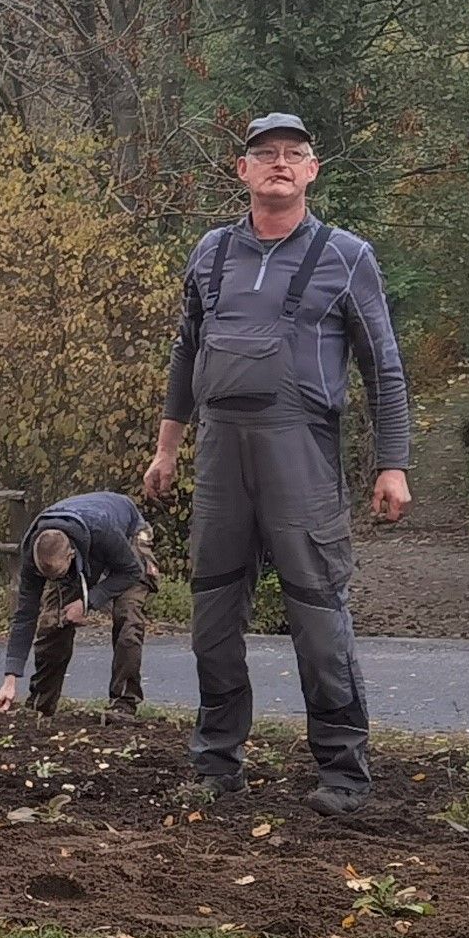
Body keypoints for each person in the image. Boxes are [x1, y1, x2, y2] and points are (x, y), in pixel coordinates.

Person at [147, 111, 411, 813]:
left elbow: (383, 366)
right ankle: (215, 765)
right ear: (244, 171)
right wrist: (168, 446)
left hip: (303, 455)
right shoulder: (210, 253)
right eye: (265, 154)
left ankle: (343, 776)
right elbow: (185, 354)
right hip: (221, 457)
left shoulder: (346, 255)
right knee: (211, 615)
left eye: (294, 154)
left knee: (319, 614)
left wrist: (394, 463)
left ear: (313, 170)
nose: (280, 164)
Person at [0, 490, 156, 716]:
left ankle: (124, 705)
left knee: (127, 618)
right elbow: (25, 615)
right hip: (85, 544)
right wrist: (10, 679)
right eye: (49, 579)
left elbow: (130, 572)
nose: (54, 582)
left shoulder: (102, 529)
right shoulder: (31, 552)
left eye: (59, 575)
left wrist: (87, 602)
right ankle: (41, 703)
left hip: (127, 535)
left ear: (70, 555)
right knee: (54, 619)